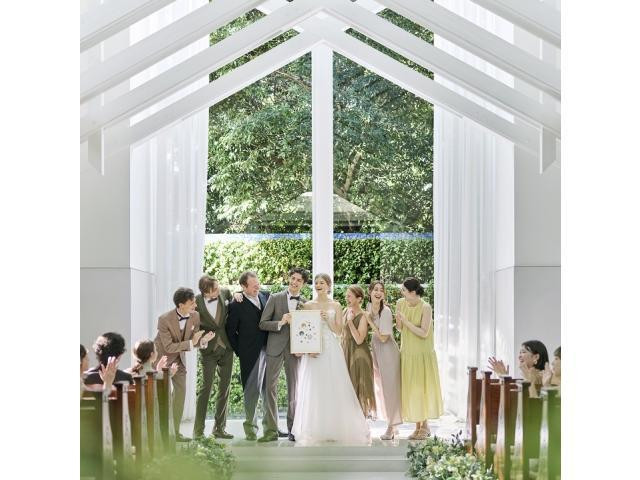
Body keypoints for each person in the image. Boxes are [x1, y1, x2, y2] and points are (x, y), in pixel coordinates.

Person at [291, 273, 370, 446]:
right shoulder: (308, 305)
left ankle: (335, 428)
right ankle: (316, 429)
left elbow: (339, 331)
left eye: (322, 282)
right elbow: (304, 330)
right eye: (316, 283)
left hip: (331, 350)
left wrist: (327, 319)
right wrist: (308, 350)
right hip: (314, 352)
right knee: (315, 388)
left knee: (334, 387)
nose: (318, 285)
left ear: (328, 286)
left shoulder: (336, 305)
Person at [154, 287, 215, 441]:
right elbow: (168, 347)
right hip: (162, 360)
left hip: (179, 360)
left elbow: (194, 340)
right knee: (163, 396)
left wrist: (203, 341)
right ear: (181, 305)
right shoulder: (164, 319)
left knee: (180, 395)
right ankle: (161, 433)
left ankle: (174, 432)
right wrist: (191, 342)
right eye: (192, 303)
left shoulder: (195, 316)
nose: (195, 305)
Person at [258, 267, 309, 442]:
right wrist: (280, 322)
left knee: (294, 390)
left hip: (295, 351)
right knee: (269, 388)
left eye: (299, 280)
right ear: (289, 279)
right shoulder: (275, 297)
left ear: (303, 284)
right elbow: (263, 323)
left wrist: (304, 347)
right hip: (274, 349)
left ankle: (292, 430)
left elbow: (308, 330)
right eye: (293, 278)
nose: (294, 282)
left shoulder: (306, 303)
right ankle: (271, 430)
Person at [396, 277, 443, 440]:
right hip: (408, 352)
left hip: (422, 354)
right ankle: (417, 426)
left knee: (422, 388)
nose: (401, 292)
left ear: (412, 292)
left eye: (403, 290)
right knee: (412, 389)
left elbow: (424, 333)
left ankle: (426, 426)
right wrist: (399, 321)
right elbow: (400, 328)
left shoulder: (426, 307)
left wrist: (406, 321)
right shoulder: (400, 303)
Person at [225, 271, 271, 441]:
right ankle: (251, 428)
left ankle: (270, 428)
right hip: (249, 354)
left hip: (270, 351)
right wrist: (241, 351)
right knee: (251, 392)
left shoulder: (266, 296)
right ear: (243, 287)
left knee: (269, 391)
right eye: (253, 286)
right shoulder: (236, 305)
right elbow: (230, 332)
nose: (257, 288)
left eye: (258, 284)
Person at [193, 275, 236, 440]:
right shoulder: (195, 302)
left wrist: (238, 295)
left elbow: (233, 299)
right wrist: (201, 341)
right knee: (205, 389)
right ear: (206, 292)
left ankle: (219, 428)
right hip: (208, 350)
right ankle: (198, 431)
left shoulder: (225, 293)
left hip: (227, 347)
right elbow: (192, 329)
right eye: (215, 289)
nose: (219, 290)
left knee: (225, 388)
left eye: (218, 287)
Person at [366, 281, 402, 440]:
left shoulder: (386, 311)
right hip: (376, 350)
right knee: (380, 388)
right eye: (375, 289)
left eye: (381, 290)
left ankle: (392, 427)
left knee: (390, 390)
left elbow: (383, 337)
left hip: (388, 352)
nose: (378, 292)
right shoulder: (369, 307)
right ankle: (393, 425)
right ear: (370, 292)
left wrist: (369, 321)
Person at [342, 285, 377, 419]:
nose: (347, 298)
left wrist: (350, 322)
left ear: (359, 299)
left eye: (349, 296)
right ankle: (350, 422)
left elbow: (359, 339)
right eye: (346, 295)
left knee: (359, 387)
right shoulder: (345, 311)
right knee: (347, 388)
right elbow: (340, 333)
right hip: (346, 352)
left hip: (359, 355)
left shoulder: (363, 316)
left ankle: (361, 422)